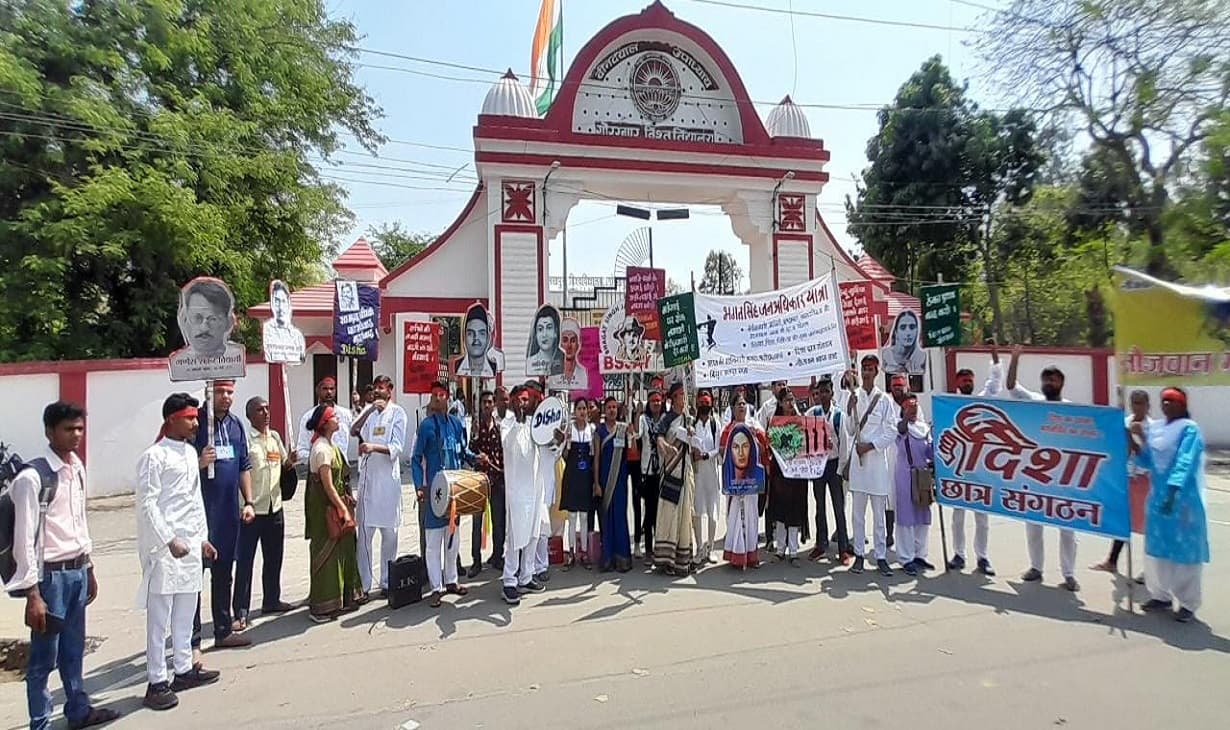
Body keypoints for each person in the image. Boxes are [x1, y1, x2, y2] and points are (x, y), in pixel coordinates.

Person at [7, 402, 119, 730]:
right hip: (50, 578)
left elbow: (79, 522)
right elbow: (24, 539)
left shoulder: (77, 468)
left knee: (73, 649)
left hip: (77, 571)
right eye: (69, 429)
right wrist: (32, 593)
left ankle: (78, 710)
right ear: (49, 431)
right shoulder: (32, 477)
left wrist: (89, 566)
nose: (76, 435)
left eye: (80, 428)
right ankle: (39, 722)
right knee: (44, 658)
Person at [137, 394, 221, 712]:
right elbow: (148, 504)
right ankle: (156, 680)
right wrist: (168, 538)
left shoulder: (189, 452)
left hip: (189, 547)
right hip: (164, 550)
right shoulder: (153, 457)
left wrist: (203, 539)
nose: (196, 423)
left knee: (186, 612)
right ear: (171, 419)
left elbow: (193, 501)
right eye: (190, 418)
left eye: (196, 417)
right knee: (160, 620)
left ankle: (184, 669)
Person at [1006, 345, 1080, 591]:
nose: (1050, 382)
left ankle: (1068, 573)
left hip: (1062, 477)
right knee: (1033, 524)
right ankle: (1036, 567)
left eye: (1054, 379)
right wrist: (1015, 358)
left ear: (1061, 382)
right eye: (1046, 379)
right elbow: (1011, 387)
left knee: (1067, 528)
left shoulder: (1072, 409)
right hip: (1036, 474)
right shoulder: (1034, 402)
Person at [1135, 387, 1209, 622]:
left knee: (1185, 552)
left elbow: (1185, 461)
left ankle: (1188, 603)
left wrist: (1173, 491)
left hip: (1183, 500)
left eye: (1172, 400)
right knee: (1157, 549)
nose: (1167, 404)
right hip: (1157, 499)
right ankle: (1160, 595)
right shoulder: (1156, 428)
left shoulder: (1190, 429)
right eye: (1164, 400)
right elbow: (1147, 459)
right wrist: (1134, 439)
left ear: (1183, 404)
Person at [410, 381, 486, 608]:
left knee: (452, 538)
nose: (436, 399)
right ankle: (436, 587)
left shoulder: (455, 424)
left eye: (441, 395)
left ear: (448, 398)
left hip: (455, 491)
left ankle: (451, 580)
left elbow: (463, 451)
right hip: (435, 492)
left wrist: (476, 458)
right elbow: (415, 459)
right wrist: (418, 486)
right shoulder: (425, 427)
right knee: (433, 542)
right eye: (433, 395)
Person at [192, 380, 255, 651]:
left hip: (228, 512)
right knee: (194, 579)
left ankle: (223, 630)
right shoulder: (195, 423)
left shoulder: (236, 425)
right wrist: (199, 462)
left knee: (224, 573)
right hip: (201, 513)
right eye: (220, 391)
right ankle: (191, 639)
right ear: (209, 392)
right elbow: (178, 469)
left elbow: (243, 466)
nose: (226, 397)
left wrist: (249, 501)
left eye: (230, 392)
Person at [233, 397, 294, 630]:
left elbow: (284, 463)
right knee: (246, 562)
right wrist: (245, 503)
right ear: (250, 415)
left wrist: (292, 461)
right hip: (252, 510)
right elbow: (242, 472)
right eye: (260, 410)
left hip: (274, 507)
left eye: (267, 408)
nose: (266, 412)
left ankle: (272, 600)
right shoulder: (246, 440)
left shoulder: (275, 437)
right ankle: (240, 611)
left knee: (274, 558)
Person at [349, 375, 408, 599]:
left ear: (390, 390)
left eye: (382, 389)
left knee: (389, 536)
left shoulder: (398, 414)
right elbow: (354, 430)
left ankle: (386, 581)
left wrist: (373, 446)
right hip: (368, 481)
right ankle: (363, 585)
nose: (379, 393)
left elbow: (396, 447)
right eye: (375, 389)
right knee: (364, 536)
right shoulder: (370, 414)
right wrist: (369, 410)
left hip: (387, 484)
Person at [947, 344, 1002, 576]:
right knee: (958, 517)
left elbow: (996, 381)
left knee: (982, 518)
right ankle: (959, 554)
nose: (967, 384)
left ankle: (983, 557)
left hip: (981, 468)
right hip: (960, 469)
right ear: (958, 385)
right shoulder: (950, 406)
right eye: (963, 381)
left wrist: (995, 355)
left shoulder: (984, 400)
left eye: (970, 380)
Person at [304, 404, 362, 622]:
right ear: (325, 423)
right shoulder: (321, 449)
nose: (338, 419)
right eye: (333, 417)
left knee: (343, 551)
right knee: (326, 556)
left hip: (336, 504)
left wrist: (347, 500)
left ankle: (342, 599)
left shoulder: (331, 445)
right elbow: (328, 486)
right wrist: (341, 509)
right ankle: (321, 607)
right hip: (324, 509)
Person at [845, 355, 898, 577]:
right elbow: (849, 430)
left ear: (876, 372)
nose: (866, 372)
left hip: (876, 465)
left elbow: (891, 431)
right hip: (858, 466)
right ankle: (859, 555)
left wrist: (869, 446)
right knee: (857, 514)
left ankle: (881, 556)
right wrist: (849, 410)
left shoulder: (884, 400)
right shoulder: (854, 397)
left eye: (870, 368)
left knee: (878, 515)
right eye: (864, 368)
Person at [499, 386, 552, 604]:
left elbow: (549, 448)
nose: (523, 403)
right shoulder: (507, 424)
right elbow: (509, 444)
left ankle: (526, 576)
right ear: (512, 401)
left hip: (535, 489)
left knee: (533, 534)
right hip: (517, 492)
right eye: (519, 399)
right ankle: (509, 581)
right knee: (515, 537)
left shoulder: (534, 425)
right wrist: (518, 420)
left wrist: (556, 438)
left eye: (526, 399)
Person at [1091, 389, 1153, 577]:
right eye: (1134, 402)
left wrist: (1139, 436)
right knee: (1121, 520)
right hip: (1126, 476)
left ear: (1148, 405)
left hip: (1145, 478)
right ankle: (1112, 561)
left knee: (1147, 525)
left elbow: (1151, 455)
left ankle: (1148, 569)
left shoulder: (1154, 427)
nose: (1137, 406)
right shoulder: (1125, 422)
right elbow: (1120, 450)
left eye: (1141, 403)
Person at [653, 383, 699, 575]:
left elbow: (695, 446)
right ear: (672, 398)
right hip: (671, 472)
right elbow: (658, 437)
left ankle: (683, 560)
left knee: (685, 517)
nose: (683, 398)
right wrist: (666, 447)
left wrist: (692, 437)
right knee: (669, 516)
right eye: (680, 395)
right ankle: (666, 560)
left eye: (684, 394)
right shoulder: (667, 418)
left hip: (685, 469)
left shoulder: (689, 419)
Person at [806, 378, 851, 564]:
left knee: (838, 508)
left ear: (832, 393)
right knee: (819, 507)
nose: (823, 395)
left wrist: (840, 470)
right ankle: (821, 544)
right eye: (820, 392)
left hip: (834, 466)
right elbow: (804, 435)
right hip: (819, 466)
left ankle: (843, 548)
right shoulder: (813, 414)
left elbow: (844, 447)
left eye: (826, 391)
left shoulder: (839, 416)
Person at [720, 400, 768, 569]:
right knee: (734, 518)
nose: (741, 406)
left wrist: (755, 438)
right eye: (738, 404)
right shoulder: (728, 430)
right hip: (734, 483)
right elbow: (721, 452)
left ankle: (752, 555)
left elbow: (764, 450)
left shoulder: (755, 427)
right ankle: (736, 555)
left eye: (743, 403)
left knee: (751, 517)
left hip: (752, 482)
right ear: (733, 409)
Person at [767, 389, 809, 565]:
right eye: (787, 401)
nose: (790, 404)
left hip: (797, 473)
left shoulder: (801, 422)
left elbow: (807, 443)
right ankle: (780, 550)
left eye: (793, 400)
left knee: (794, 511)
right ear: (781, 403)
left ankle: (793, 551)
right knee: (780, 512)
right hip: (780, 473)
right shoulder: (775, 423)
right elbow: (770, 445)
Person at [893, 395, 934, 576]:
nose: (913, 409)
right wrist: (904, 416)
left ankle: (920, 555)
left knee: (922, 516)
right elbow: (901, 428)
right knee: (906, 518)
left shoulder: (924, 429)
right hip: (905, 475)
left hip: (922, 475)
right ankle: (905, 557)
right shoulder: (901, 428)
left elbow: (930, 453)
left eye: (915, 407)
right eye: (909, 407)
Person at [593, 397, 633, 572]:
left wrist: (632, 432)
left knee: (620, 517)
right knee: (606, 519)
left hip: (621, 480)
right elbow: (596, 459)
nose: (611, 410)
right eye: (609, 407)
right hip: (604, 480)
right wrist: (596, 483)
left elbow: (631, 451)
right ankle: (608, 557)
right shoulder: (599, 431)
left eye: (614, 407)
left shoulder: (623, 429)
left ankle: (622, 557)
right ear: (604, 410)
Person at [470, 390, 507, 573]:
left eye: (489, 402)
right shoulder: (475, 426)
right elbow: (469, 451)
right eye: (484, 402)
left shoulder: (500, 426)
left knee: (499, 522)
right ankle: (476, 562)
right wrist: (478, 457)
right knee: (477, 523)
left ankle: (497, 556)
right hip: (479, 481)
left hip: (498, 479)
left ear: (494, 404)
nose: (486, 405)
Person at [559, 398, 597, 569]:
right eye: (579, 408)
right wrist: (565, 442)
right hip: (573, 476)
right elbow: (565, 456)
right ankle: (571, 554)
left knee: (584, 516)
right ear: (574, 411)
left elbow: (594, 455)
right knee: (572, 516)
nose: (582, 411)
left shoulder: (592, 429)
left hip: (586, 477)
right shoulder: (569, 430)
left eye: (585, 408)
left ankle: (584, 553)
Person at [174, 278, 243, 361]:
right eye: (197, 318)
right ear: (184, 320)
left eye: (213, 319)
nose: (204, 328)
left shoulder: (236, 359)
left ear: (228, 322)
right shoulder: (178, 362)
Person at [636, 390, 667, 560]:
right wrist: (635, 413)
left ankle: (661, 547)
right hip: (647, 471)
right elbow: (636, 435)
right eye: (653, 401)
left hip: (662, 470)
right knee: (649, 512)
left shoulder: (665, 420)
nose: (656, 403)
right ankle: (648, 549)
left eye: (658, 400)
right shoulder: (643, 419)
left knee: (661, 512)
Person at [692, 391, 721, 566]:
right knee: (697, 512)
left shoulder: (715, 423)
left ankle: (710, 548)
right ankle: (699, 548)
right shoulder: (692, 423)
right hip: (696, 473)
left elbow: (718, 448)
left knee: (713, 512)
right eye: (701, 402)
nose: (704, 404)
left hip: (711, 471)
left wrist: (705, 456)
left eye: (706, 401)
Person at [296, 377, 354, 463]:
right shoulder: (308, 416)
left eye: (332, 389)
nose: (329, 392)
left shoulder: (346, 414)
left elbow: (359, 431)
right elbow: (301, 451)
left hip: (342, 469)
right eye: (325, 389)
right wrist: (322, 457)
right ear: (317, 390)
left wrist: (357, 406)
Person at [261, 281, 306, 363]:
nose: (281, 307)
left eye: (283, 301)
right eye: (277, 301)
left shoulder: (297, 336)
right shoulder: (267, 329)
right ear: (272, 303)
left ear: (288, 304)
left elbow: (300, 359)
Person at [454, 305, 502, 378]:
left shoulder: (493, 367)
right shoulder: (458, 366)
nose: (476, 339)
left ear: (488, 338)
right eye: (470, 333)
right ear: (464, 337)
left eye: (481, 333)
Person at [881, 310, 926, 375]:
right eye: (903, 327)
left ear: (917, 331)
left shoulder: (921, 357)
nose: (908, 333)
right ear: (896, 332)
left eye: (912, 327)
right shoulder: (885, 355)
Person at [550, 319, 590, 391]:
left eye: (573, 341)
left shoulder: (582, 373)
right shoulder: (553, 372)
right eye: (565, 340)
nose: (569, 346)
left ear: (578, 344)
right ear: (560, 344)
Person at [526, 305, 565, 376]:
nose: (544, 335)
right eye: (540, 329)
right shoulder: (531, 362)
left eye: (549, 328)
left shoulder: (565, 360)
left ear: (556, 332)